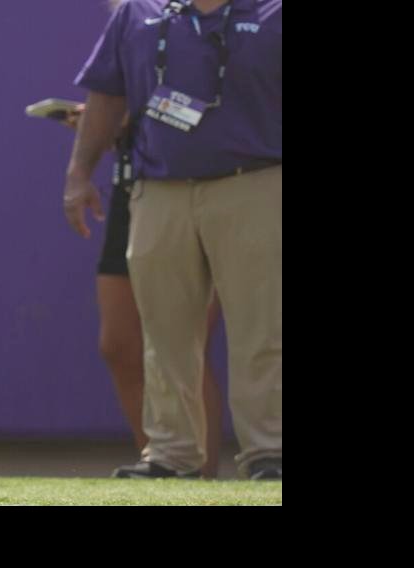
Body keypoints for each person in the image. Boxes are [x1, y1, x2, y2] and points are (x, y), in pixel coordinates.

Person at [66, 0, 283, 481]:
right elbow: (107, 91)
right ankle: (172, 454)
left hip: (256, 182)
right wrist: (79, 173)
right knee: (164, 329)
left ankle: (271, 450)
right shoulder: (137, 12)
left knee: (262, 325)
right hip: (160, 188)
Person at [59, 100, 226, 477]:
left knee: (183, 342)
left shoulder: (230, 38)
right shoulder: (130, 38)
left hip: (206, 183)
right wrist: (104, 122)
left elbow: (211, 100)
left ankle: (202, 481)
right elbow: (114, 88)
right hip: (135, 184)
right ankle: (164, 467)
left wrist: (135, 115)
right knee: (120, 344)